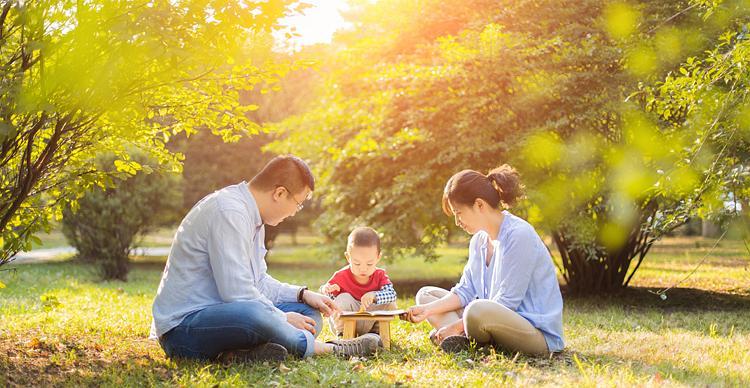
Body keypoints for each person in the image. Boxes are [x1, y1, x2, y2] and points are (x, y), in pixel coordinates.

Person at [150, 155, 380, 362]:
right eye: (298, 204)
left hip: (225, 314)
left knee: (307, 312)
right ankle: (332, 349)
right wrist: (281, 318)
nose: (294, 213)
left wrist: (303, 294)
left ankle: (239, 355)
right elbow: (237, 293)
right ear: (279, 193)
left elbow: (257, 281)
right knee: (256, 314)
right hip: (184, 328)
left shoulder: (255, 220)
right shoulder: (229, 212)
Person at [404, 165, 564, 355]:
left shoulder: (519, 235)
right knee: (426, 295)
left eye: (459, 213)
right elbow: (466, 290)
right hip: (489, 320)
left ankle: (461, 336)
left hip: (535, 334)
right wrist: (426, 310)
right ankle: (466, 341)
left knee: (476, 310)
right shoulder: (479, 240)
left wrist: (455, 326)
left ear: (479, 205)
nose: (457, 221)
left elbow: (506, 304)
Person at [321, 227, 398, 336]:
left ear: (378, 258)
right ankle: (343, 334)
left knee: (390, 302)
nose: (363, 268)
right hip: (346, 319)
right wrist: (327, 289)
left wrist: (374, 295)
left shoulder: (380, 275)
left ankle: (376, 332)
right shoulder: (341, 276)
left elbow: (392, 295)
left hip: (370, 317)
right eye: (357, 263)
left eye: (369, 264)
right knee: (343, 298)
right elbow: (327, 298)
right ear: (348, 257)